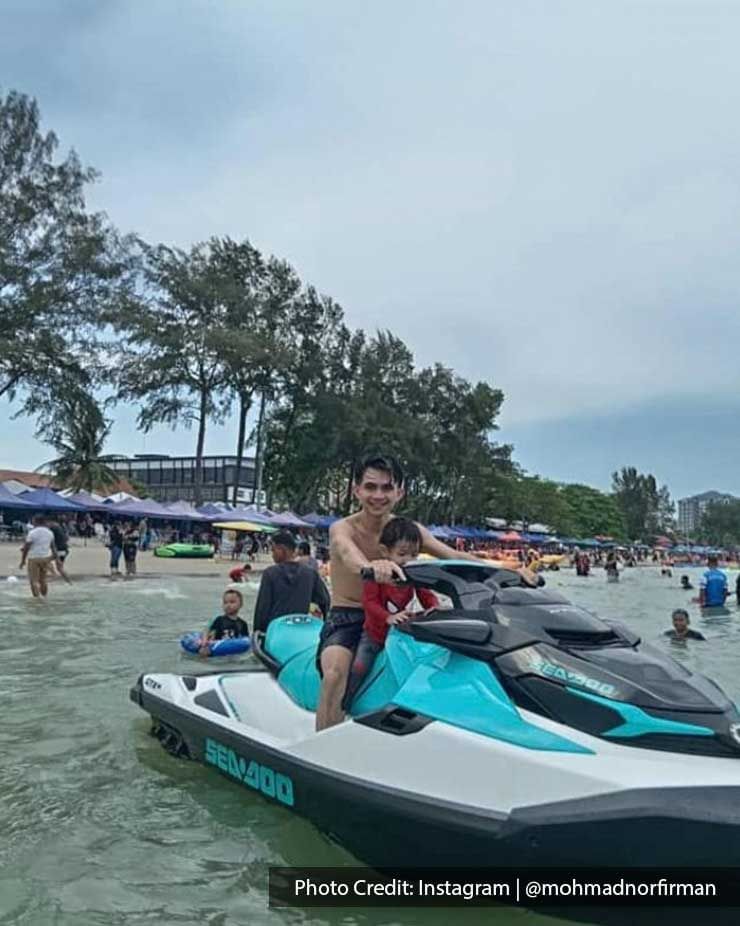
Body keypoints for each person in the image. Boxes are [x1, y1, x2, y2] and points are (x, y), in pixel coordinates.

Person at [316, 452, 539, 731]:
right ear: (356, 490)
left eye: (387, 487)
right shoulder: (343, 528)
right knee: (335, 673)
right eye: (370, 487)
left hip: (396, 619)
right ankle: (322, 748)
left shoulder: (409, 532)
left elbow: (452, 555)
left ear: (400, 492)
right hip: (348, 619)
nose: (378, 495)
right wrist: (371, 566)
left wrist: (510, 571)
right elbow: (348, 554)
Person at [344, 518, 438, 706]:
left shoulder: (411, 575)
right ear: (386, 552)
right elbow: (369, 602)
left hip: (399, 635)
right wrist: (388, 617)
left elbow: (425, 593)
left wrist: (434, 607)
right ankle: (347, 698)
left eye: (414, 555)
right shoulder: (377, 574)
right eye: (402, 554)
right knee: (360, 666)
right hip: (375, 635)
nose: (408, 561)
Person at [252, 530, 330, 633]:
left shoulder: (270, 574)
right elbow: (325, 601)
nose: (272, 554)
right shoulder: (310, 574)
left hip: (276, 632)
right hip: (302, 630)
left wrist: (258, 633)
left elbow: (262, 610)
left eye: (273, 550)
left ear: (282, 550)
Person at [198, 589, 250, 656]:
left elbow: (246, 640)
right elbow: (207, 631)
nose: (228, 605)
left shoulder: (243, 623)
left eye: (232, 602)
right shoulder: (220, 620)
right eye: (225, 602)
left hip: (234, 650)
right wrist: (204, 644)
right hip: (219, 649)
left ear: (241, 604)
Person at [19, 514, 60, 599]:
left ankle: (37, 600)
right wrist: (57, 560)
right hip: (45, 558)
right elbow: (53, 547)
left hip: (34, 558)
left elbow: (26, 547)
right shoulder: (49, 532)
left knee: (34, 581)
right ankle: (44, 597)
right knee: (43, 580)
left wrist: (22, 561)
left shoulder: (32, 532)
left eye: (33, 521)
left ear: (36, 521)